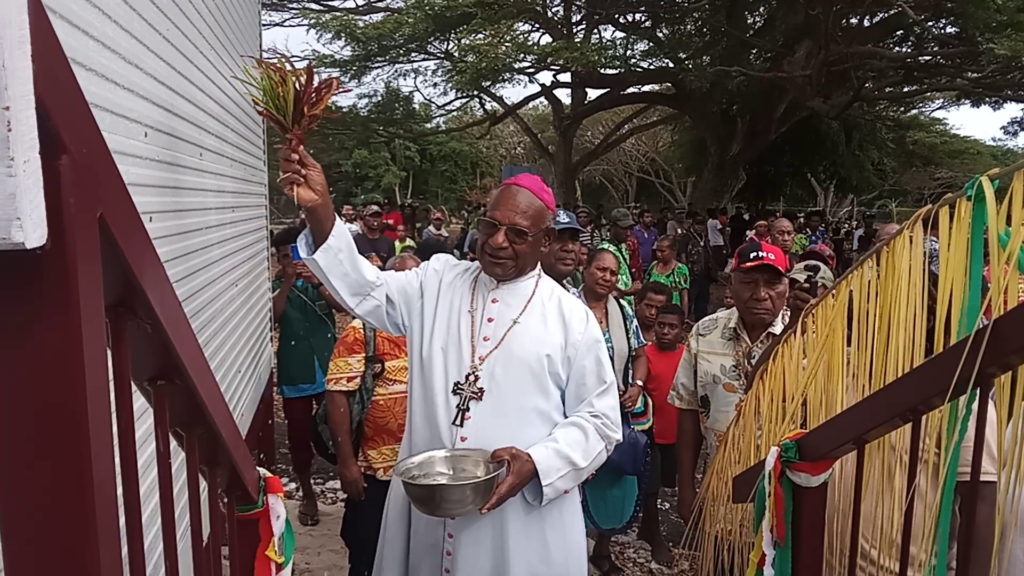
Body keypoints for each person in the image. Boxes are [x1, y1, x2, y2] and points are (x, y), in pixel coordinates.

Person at [279, 149, 621, 576]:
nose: (497, 241)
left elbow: (601, 422)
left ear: (546, 240)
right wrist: (320, 209)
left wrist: (539, 462)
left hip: (519, 523)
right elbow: (364, 289)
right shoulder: (438, 281)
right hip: (428, 509)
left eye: (516, 233)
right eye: (490, 226)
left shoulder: (570, 318)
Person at [668, 241, 793, 520]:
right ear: (731, 284)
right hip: (721, 496)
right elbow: (688, 409)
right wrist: (685, 487)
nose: (760, 295)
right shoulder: (705, 332)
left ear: (787, 288)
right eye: (748, 282)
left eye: (773, 284)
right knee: (721, 563)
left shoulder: (809, 335)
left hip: (789, 498)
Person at [327, 254, 419, 576]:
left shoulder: (436, 327)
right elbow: (337, 393)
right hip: (375, 470)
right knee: (367, 551)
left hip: (422, 470)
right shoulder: (363, 330)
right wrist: (348, 464)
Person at [575, 248, 650, 576]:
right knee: (576, 480)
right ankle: (573, 550)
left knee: (613, 476)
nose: (607, 277)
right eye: (600, 270)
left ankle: (602, 549)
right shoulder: (567, 308)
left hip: (616, 414)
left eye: (613, 273)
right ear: (585, 269)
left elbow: (640, 355)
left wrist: (636, 385)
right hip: (574, 411)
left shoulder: (623, 310)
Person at [271, 227, 345, 527]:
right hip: (296, 369)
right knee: (299, 437)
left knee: (341, 430)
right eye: (286, 257)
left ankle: (348, 480)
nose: (293, 261)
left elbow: (343, 307)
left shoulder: (321, 279)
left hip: (329, 367)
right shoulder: (276, 285)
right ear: (279, 259)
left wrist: (319, 282)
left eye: (297, 255)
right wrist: (287, 284)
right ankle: (307, 492)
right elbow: (273, 319)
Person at [638, 303, 687, 569]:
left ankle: (648, 528)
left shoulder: (688, 355)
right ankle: (654, 535)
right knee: (651, 489)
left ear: (682, 329)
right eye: (661, 325)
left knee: (670, 483)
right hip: (650, 435)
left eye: (672, 327)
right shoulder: (644, 354)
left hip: (677, 435)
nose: (665, 331)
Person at [598, 208, 643, 303]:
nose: (628, 233)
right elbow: (603, 281)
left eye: (630, 228)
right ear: (612, 226)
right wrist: (627, 292)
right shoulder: (605, 250)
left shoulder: (623, 245)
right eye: (623, 228)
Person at [679, 210, 714, 320]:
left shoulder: (705, 238)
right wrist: (686, 272)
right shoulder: (686, 238)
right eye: (697, 224)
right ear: (692, 225)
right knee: (689, 299)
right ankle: (685, 320)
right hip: (692, 275)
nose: (700, 227)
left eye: (702, 225)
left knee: (703, 300)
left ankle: (700, 321)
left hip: (705, 275)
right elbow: (682, 255)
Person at [541, 208, 587, 290]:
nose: (569, 248)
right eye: (558, 238)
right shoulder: (524, 294)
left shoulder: (573, 296)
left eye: (575, 239)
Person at [645, 236, 690, 311]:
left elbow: (684, 298)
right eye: (657, 251)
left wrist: (683, 318)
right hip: (653, 310)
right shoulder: (654, 266)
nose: (659, 254)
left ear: (673, 250)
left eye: (663, 251)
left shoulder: (680, 269)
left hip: (671, 312)